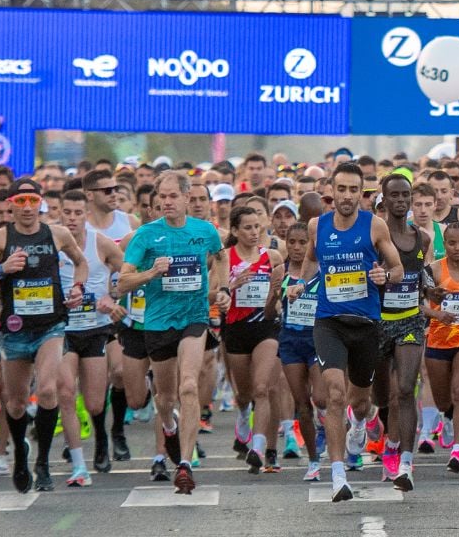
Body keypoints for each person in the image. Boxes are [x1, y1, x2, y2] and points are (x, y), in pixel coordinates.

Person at [289, 162, 403, 502]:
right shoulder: (317, 226)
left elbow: (397, 268)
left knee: (361, 401)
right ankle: (338, 474)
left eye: (354, 190)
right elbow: (311, 261)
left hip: (366, 324)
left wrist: (385, 276)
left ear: (362, 193)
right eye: (342, 189)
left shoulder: (375, 225)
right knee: (335, 394)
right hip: (329, 321)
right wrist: (300, 283)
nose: (348, 196)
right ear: (332, 191)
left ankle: (360, 423)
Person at [0, 178, 87, 494]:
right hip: (15, 329)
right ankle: (21, 456)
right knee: (17, 403)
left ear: (40, 202)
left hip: (51, 325)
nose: (26, 207)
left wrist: (78, 288)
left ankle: (43, 463)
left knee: (47, 391)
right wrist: (0, 270)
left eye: (32, 201)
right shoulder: (0, 238)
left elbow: (81, 263)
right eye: (20, 202)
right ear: (11, 205)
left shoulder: (57, 234)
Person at [117, 171, 228, 495]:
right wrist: (151, 272)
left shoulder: (204, 231)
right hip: (157, 323)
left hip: (194, 318)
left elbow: (221, 256)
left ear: (186, 198)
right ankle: (168, 425)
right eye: (162, 197)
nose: (167, 202)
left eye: (172, 196)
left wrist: (222, 289)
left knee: (189, 385)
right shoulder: (146, 235)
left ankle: (185, 464)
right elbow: (122, 282)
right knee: (165, 399)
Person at [55, 190, 125, 486]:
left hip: (96, 328)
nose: (72, 218)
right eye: (67, 212)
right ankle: (79, 465)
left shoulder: (101, 243)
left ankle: (101, 438)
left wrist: (112, 296)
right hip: (62, 330)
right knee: (66, 392)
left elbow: (127, 272)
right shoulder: (52, 243)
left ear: (86, 214)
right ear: (59, 213)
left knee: (95, 404)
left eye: (77, 213)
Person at [375, 173, 430, 491]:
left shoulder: (422, 238)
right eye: (394, 195)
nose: (400, 200)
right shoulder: (374, 236)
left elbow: (423, 276)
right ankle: (378, 426)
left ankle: (405, 462)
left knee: (406, 389)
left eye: (405, 195)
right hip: (377, 321)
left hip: (410, 319)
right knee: (382, 397)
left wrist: (431, 291)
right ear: (384, 199)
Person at [221, 206, 285, 473]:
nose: (253, 232)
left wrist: (278, 295)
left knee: (262, 388)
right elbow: (212, 292)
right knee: (245, 394)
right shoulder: (225, 257)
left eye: (257, 226)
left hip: (265, 328)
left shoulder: (272, 257)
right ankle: (243, 414)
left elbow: (280, 295)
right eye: (247, 227)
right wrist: (231, 285)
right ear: (235, 231)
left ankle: (258, 447)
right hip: (235, 329)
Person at [423, 225, 459, 474]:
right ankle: (446, 417)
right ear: (444, 245)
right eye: (452, 243)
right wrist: (436, 313)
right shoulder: (433, 270)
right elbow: (415, 304)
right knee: (443, 401)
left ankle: (457, 451)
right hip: (437, 342)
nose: (458, 248)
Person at [272, 222, 325, 482]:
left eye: (303, 242)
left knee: (322, 399)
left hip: (317, 339)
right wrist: (274, 294)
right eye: (291, 242)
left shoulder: (321, 271)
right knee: (302, 404)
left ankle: (327, 424)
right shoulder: (280, 272)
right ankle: (314, 460)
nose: (296, 247)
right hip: (290, 340)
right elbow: (269, 312)